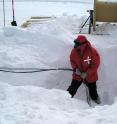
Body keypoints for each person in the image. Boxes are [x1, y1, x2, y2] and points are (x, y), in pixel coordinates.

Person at [67, 35, 101, 104]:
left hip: (90, 76)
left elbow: (95, 64)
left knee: (92, 90)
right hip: (78, 74)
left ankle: (95, 98)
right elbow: (72, 61)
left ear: (83, 44)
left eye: (77, 44)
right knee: (72, 88)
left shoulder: (92, 51)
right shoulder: (74, 51)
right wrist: (75, 69)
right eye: (75, 43)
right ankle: (66, 99)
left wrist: (87, 73)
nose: (75, 45)